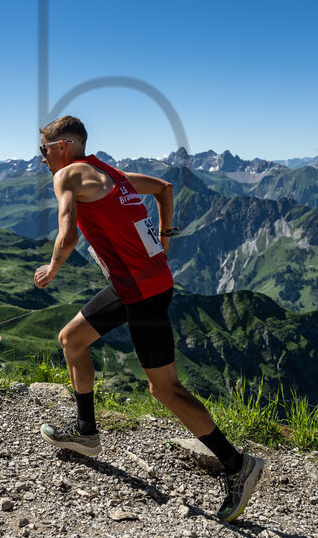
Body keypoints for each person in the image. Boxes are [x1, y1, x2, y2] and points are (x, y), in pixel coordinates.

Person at [32, 116, 264, 523]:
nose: (42, 159)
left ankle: (236, 465)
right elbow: (164, 187)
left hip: (142, 292)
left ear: (63, 146)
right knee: (71, 339)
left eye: (43, 150)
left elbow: (67, 235)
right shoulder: (111, 173)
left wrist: (52, 268)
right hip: (137, 285)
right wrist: (166, 235)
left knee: (165, 389)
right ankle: (86, 432)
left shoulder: (68, 175)